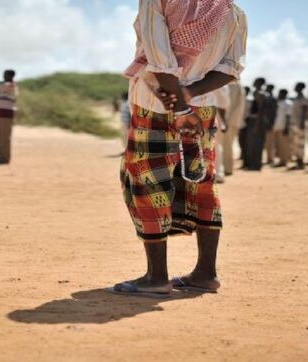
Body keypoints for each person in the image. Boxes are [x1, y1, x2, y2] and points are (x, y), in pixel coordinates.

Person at [113, 0, 247, 298]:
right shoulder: (233, 12)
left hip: (154, 105)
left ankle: (157, 277)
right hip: (203, 110)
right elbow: (231, 68)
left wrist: (180, 107)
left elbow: (160, 59)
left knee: (149, 183)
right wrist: (191, 95)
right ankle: (205, 274)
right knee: (202, 185)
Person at [245, 77, 267, 171]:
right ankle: (253, 164)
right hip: (255, 121)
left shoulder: (260, 94)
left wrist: (256, 125)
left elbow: (261, 111)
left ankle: (256, 165)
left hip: (257, 121)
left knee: (256, 144)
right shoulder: (255, 93)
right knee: (253, 144)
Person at [213, 85, 231, 183]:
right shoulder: (222, 82)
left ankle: (218, 173)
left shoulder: (220, 82)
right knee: (215, 145)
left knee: (215, 145)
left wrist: (224, 121)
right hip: (215, 115)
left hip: (215, 115)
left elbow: (222, 105)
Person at [289, 82, 308, 170]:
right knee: (295, 143)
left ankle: (301, 162)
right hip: (294, 123)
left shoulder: (303, 98)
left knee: (300, 143)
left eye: (296, 86)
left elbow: (304, 111)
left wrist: (302, 122)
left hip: (300, 124)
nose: (295, 88)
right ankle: (298, 162)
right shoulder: (296, 98)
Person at [272, 89, 293, 167]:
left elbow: (288, 116)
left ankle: (284, 161)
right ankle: (281, 160)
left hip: (283, 127)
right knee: (279, 146)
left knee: (284, 146)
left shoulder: (288, 103)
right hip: (276, 127)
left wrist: (286, 128)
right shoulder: (278, 103)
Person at [264, 84, 278, 165]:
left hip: (270, 123)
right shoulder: (270, 98)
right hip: (268, 123)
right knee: (268, 142)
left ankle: (271, 159)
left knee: (271, 142)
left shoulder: (272, 99)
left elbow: (273, 112)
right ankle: (269, 158)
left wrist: (271, 123)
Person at [238, 86, 251, 168]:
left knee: (246, 145)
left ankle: (247, 162)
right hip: (241, 124)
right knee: (242, 144)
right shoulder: (241, 100)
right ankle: (244, 161)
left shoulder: (249, 100)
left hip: (246, 125)